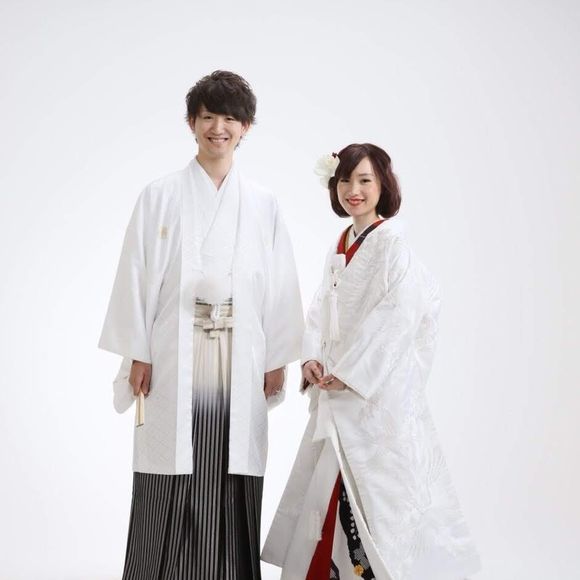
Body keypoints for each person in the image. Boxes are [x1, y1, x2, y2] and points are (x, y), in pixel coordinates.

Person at [99, 70, 303, 579]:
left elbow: (279, 283)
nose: (218, 128)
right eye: (208, 117)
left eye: (229, 119)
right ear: (191, 122)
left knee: (230, 464)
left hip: (241, 351)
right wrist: (139, 351)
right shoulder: (159, 195)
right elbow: (135, 273)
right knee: (169, 467)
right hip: (174, 349)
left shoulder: (262, 203)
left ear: (245, 127)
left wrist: (276, 356)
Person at [262, 144, 480, 579]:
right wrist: (310, 358)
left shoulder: (392, 246)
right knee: (331, 485)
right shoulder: (340, 244)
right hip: (336, 388)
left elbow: (399, 315)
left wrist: (351, 373)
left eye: (365, 180)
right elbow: (320, 309)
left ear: (383, 185)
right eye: (345, 180)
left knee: (379, 498)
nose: (354, 190)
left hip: (372, 397)